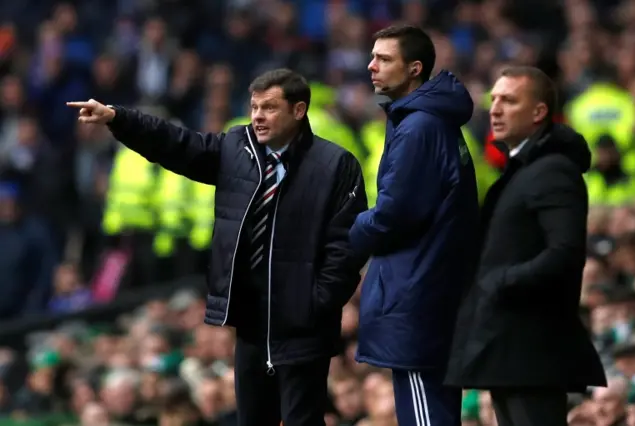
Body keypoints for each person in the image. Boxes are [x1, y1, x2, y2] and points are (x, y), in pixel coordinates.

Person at [68, 68, 367, 426]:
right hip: (252, 324)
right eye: (254, 107)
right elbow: (177, 145)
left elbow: (347, 247)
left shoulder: (336, 165)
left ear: (299, 110)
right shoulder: (236, 149)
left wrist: (315, 302)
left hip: (304, 327)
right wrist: (119, 118)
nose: (257, 116)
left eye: (269, 107)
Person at [445, 66, 607, 426]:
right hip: (509, 347)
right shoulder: (523, 169)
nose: (496, 109)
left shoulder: (553, 171)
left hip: (532, 349)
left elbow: (564, 253)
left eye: (509, 100)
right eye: (494, 100)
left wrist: (500, 281)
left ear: (539, 112)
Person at [349, 25, 479, 426]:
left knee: (425, 415)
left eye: (384, 59)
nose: (371, 66)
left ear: (414, 69)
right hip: (427, 287)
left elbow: (394, 215)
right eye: (372, 56)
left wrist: (349, 230)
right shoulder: (423, 120)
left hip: (418, 293)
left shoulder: (420, 127)